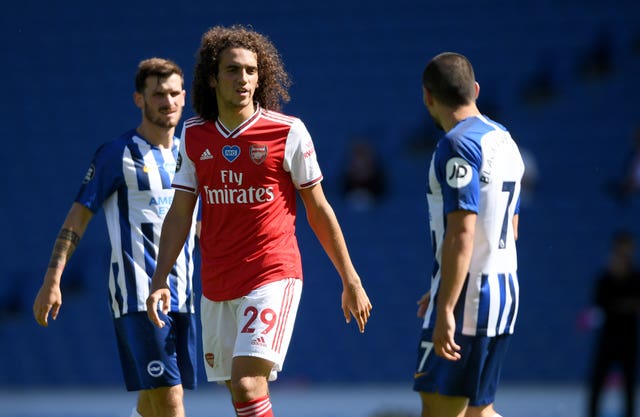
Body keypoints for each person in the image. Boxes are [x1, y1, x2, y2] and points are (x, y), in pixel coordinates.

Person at [146, 25, 372, 417]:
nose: (244, 78)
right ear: (213, 78)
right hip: (217, 281)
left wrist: (349, 277)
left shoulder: (288, 131)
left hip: (272, 273)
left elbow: (318, 209)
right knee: (240, 388)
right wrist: (160, 278)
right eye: (233, 70)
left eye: (251, 70)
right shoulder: (194, 135)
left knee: (248, 382)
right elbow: (181, 212)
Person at [32, 58, 199, 417]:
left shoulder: (192, 155)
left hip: (182, 295)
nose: (166, 102)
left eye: (173, 94)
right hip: (138, 295)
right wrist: (53, 278)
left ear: (184, 98)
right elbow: (78, 216)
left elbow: (195, 224)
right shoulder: (117, 154)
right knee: (171, 400)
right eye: (157, 94)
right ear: (139, 99)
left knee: (152, 402)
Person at [413, 52, 525, 417]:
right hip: (503, 288)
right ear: (475, 90)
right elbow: (510, 228)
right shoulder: (504, 140)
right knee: (478, 411)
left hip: (469, 300)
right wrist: (444, 284)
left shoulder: (457, 144)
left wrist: (448, 303)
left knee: (439, 407)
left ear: (428, 96)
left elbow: (464, 230)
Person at [587, 231, 640, 417]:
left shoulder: (635, 278)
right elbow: (601, 304)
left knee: (629, 386)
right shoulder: (606, 278)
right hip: (608, 339)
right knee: (597, 383)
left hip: (629, 339)